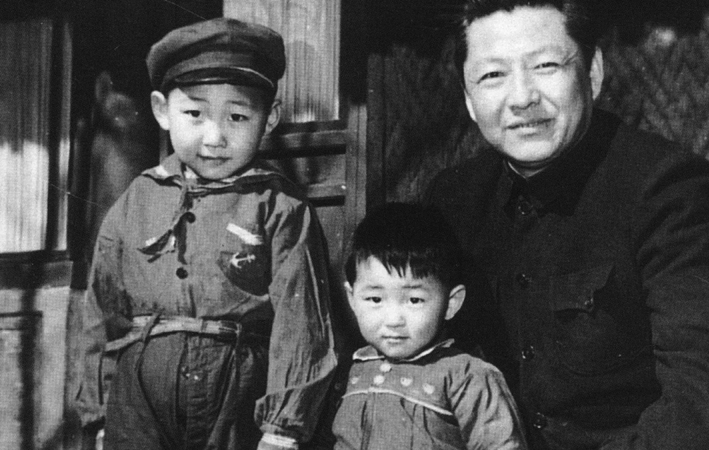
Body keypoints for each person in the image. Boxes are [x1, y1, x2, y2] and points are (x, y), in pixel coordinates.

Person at [425, 0, 709, 449]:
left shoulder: (669, 188)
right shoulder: (453, 200)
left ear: (593, 73)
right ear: (469, 99)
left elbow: (703, 400)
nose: (522, 98)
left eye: (545, 66)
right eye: (493, 75)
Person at [75, 18, 337, 450]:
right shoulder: (135, 200)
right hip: (138, 400)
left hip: (236, 394)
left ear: (269, 118)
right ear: (162, 111)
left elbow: (302, 322)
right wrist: (99, 413)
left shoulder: (280, 206)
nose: (215, 137)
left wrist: (283, 426)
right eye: (194, 114)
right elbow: (102, 313)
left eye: (237, 116)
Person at [332, 202, 529, 449]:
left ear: (451, 303)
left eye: (414, 300)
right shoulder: (356, 369)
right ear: (352, 299)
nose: (393, 320)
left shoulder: (467, 376)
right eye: (375, 299)